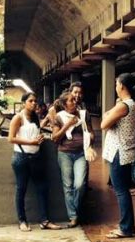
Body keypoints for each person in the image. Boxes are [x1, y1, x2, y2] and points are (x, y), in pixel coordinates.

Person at [8, 92, 61, 232]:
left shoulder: (35, 117)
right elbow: (11, 138)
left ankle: (45, 221)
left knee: (42, 188)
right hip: (21, 158)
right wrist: (31, 142)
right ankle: (22, 221)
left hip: (36, 157)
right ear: (23, 103)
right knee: (21, 189)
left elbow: (34, 134)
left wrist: (39, 138)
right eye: (30, 101)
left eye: (35, 101)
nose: (34, 103)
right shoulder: (18, 118)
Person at [101, 73, 135, 239]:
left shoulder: (123, 105)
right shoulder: (131, 104)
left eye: (117, 84)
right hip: (126, 152)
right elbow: (108, 118)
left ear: (122, 86)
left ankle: (125, 228)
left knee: (121, 191)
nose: (116, 87)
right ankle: (128, 226)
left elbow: (103, 124)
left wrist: (110, 115)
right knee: (123, 190)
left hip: (118, 153)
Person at [52, 92, 94, 228]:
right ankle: (73, 217)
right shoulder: (59, 117)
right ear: (64, 105)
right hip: (65, 154)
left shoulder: (83, 114)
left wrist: (90, 143)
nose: (75, 102)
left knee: (80, 184)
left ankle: (74, 209)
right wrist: (68, 124)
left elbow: (91, 132)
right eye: (71, 100)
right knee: (68, 186)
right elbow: (55, 138)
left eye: (75, 99)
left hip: (81, 153)